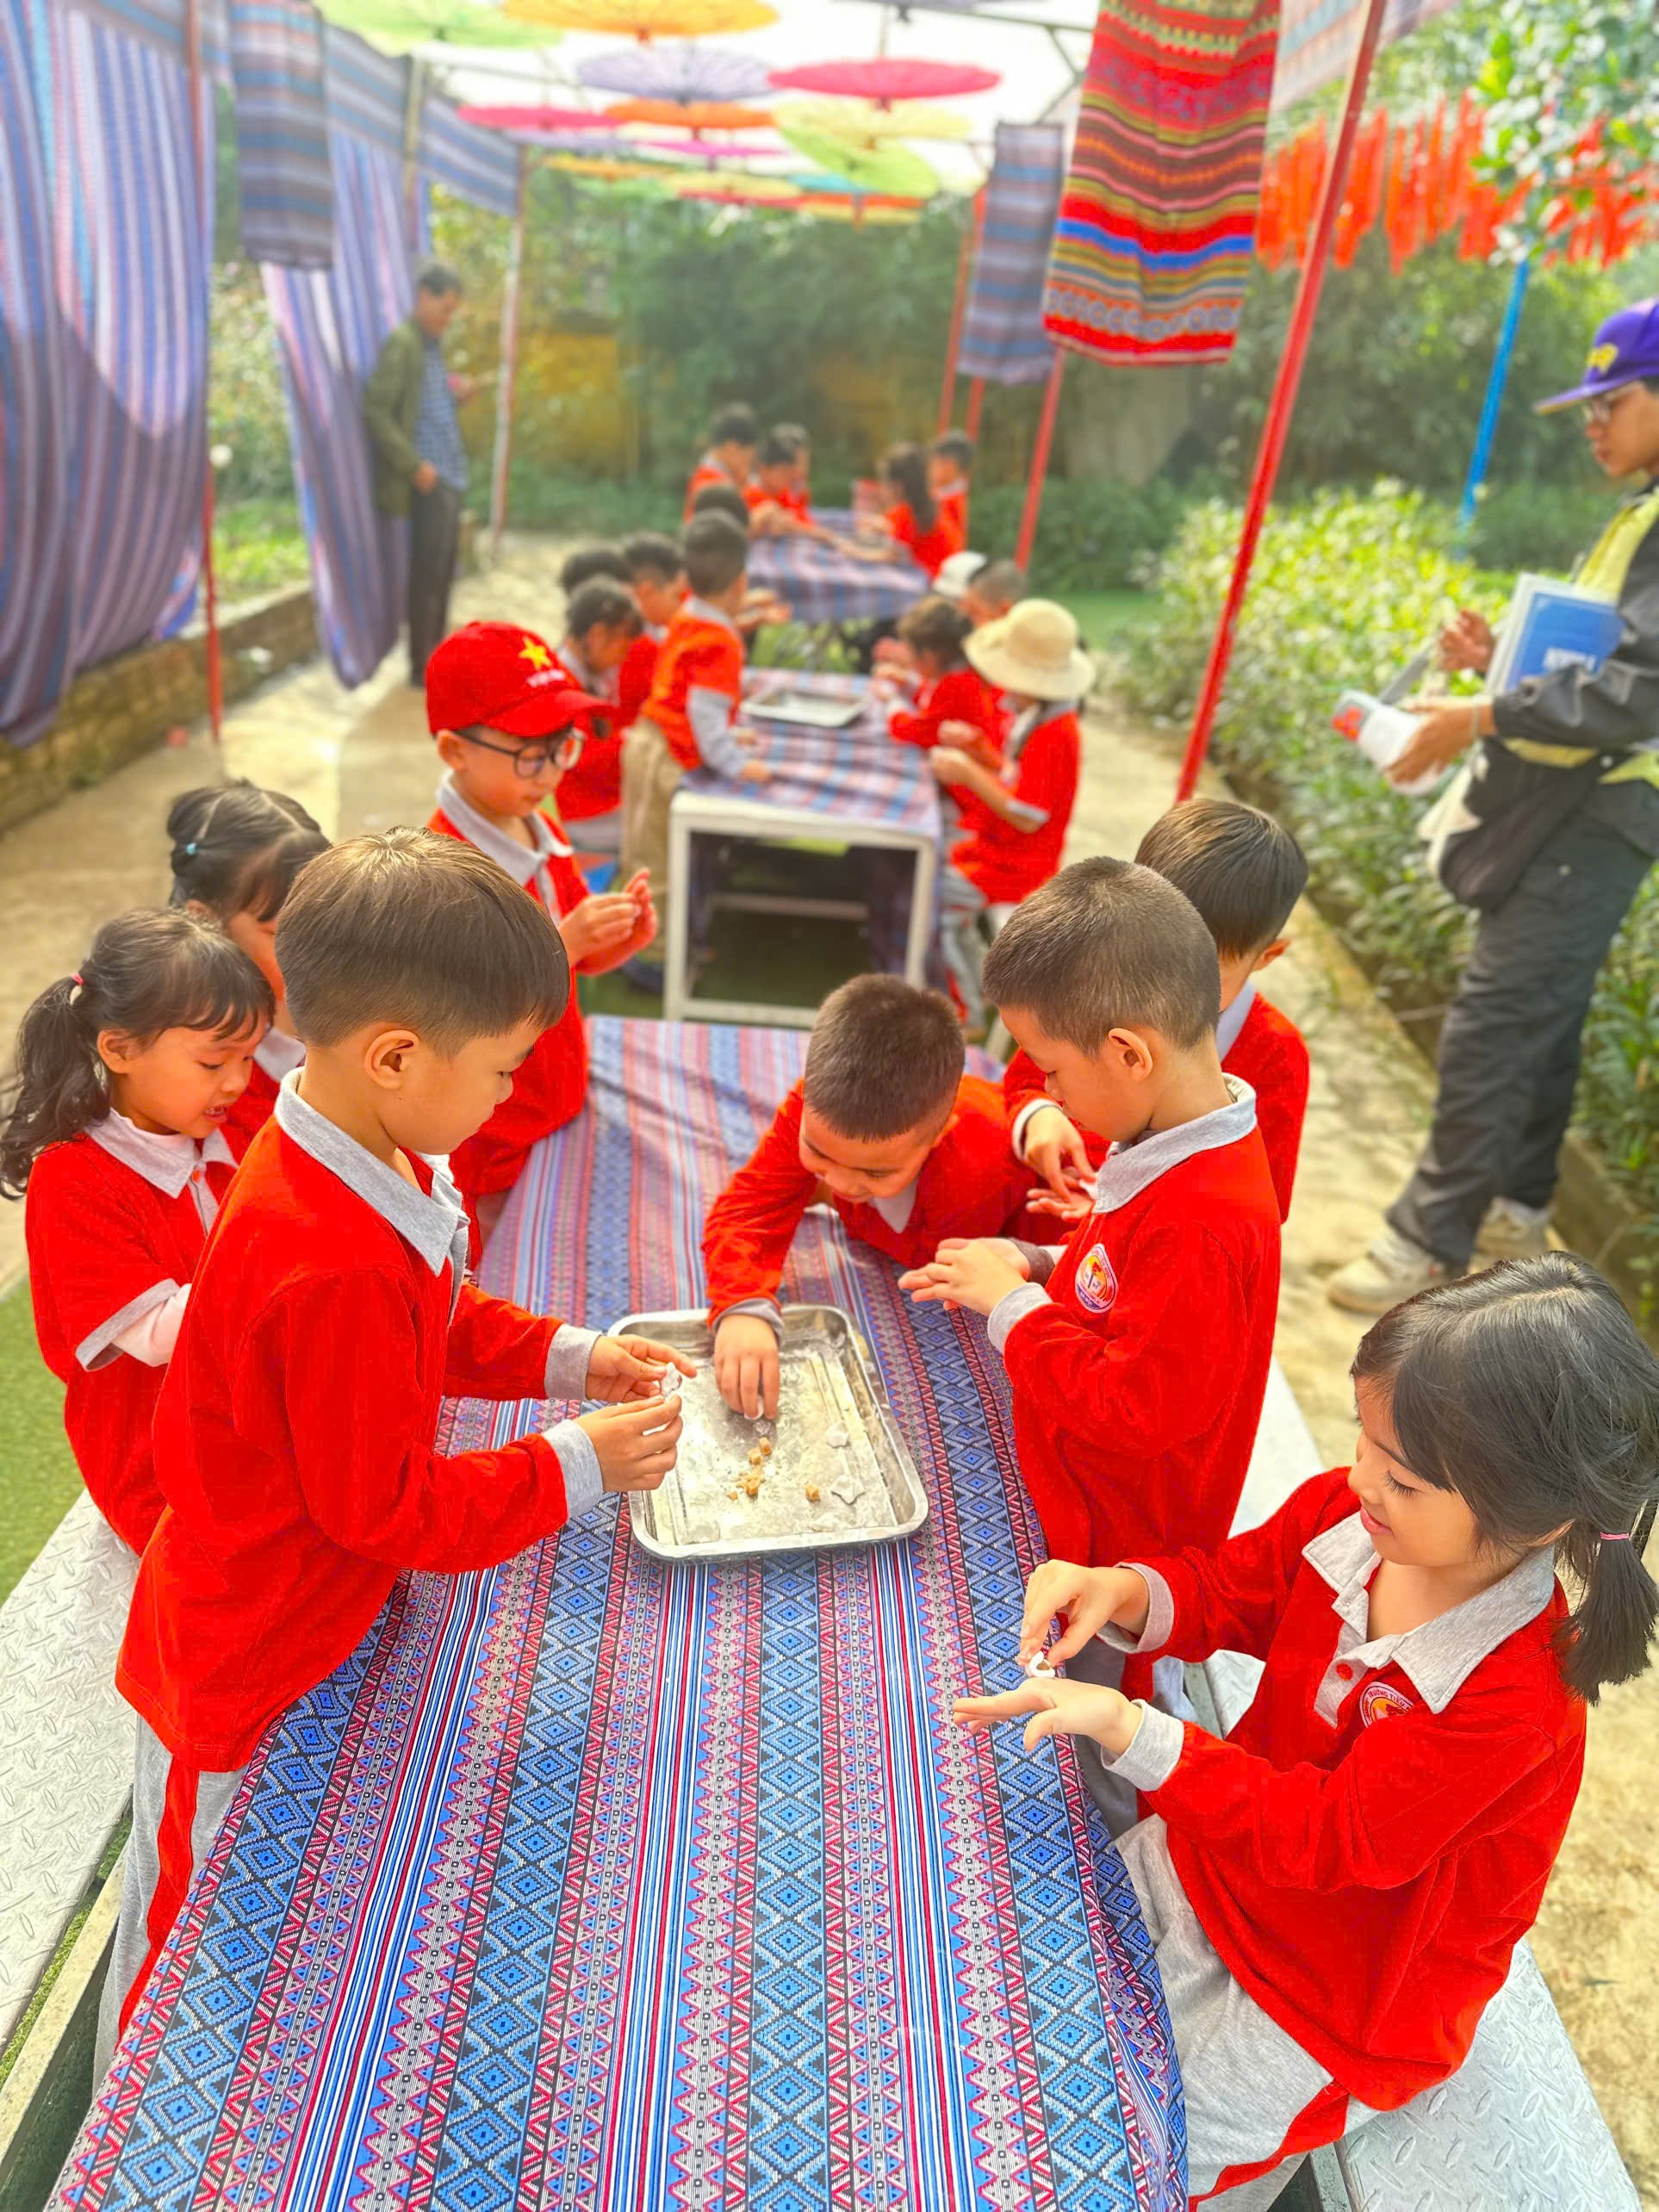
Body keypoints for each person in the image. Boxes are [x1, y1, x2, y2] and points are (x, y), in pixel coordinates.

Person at [98, 831, 693, 2070]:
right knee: (179, 1944)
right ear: (397, 1055)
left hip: (309, 1614)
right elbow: (391, 1511)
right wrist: (577, 1462)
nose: (507, 1094)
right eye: (503, 1070)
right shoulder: (325, 1259)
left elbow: (437, 1316)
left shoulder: (360, 1149)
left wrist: (570, 1356)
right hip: (240, 1660)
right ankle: (118, 2118)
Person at [956, 1253, 1659, 2204]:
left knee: (1128, 2152)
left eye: (1403, 1478)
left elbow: (1333, 1840)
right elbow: (1230, 1590)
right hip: (1218, 1858)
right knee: (1008, 2005)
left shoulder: (1514, 1699)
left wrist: (1133, 1731)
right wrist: (1120, 1589)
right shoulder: (1348, 1518)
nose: (1363, 1479)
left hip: (1334, 1995)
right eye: (1365, 1440)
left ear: (1535, 1522)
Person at [1330, 300, 1659, 1314]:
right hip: (1587, 801)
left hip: (1603, 809)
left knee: (1496, 1016)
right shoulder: (1642, 510)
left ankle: (1427, 1243)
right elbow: (1604, 662)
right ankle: (1516, 1210)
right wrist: (1497, 665)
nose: (1592, 423)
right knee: (1542, 1013)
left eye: (1611, 401)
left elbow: (1640, 690)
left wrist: (1481, 714)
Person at [901, 856, 1281, 1582]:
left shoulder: (1202, 1218)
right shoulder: (1173, 1130)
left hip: (1111, 1542)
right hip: (1079, 1486)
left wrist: (1012, 1306)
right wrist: (1038, 1261)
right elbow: (1125, 1282)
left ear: (1128, 1054)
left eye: (1051, 1069)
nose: (1046, 1089)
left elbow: (1134, 1408)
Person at [3, 910, 271, 1554]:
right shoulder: (73, 1178)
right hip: (157, 1461)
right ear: (119, 1050)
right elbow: (153, 1334)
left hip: (247, 1423)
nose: (238, 1081)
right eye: (213, 1061)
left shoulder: (229, 1129)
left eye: (248, 1057)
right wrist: (287, 1263)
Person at [704, 976, 1041, 1419]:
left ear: (940, 1134)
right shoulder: (815, 1107)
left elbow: (936, 1257)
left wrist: (818, 1188)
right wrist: (742, 1305)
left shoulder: (983, 1166)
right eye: (820, 1154)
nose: (845, 1184)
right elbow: (750, 1207)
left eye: (875, 1172)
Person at [425, 623, 654, 1236]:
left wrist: (616, 940)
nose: (551, 773)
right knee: (498, 1250)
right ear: (454, 750)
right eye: (531, 755)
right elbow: (462, 1010)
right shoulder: (442, 869)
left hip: (555, 1092)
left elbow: (573, 959)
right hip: (492, 1126)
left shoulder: (539, 827)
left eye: (562, 748)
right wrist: (565, 943)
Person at [1007, 798, 1310, 1224]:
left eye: (1204, 974)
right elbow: (1028, 1075)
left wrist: (1124, 1214)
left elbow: (1261, 1204)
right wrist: (1038, 1116)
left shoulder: (1275, 1054)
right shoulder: (1091, 978)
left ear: (1267, 956)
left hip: (1151, 1236)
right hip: (1048, 1192)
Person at [619, 513, 771, 985]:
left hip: (648, 741)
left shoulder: (687, 613)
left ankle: (646, 945)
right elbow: (704, 714)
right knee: (659, 862)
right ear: (741, 582)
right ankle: (653, 963)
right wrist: (736, 763)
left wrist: (726, 735)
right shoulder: (722, 641)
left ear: (686, 578)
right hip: (663, 755)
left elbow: (690, 699)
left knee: (643, 851)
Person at [930, 600, 1087, 1028]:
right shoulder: (1039, 717)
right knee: (936, 876)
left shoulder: (1055, 734)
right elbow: (1018, 780)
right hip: (1000, 852)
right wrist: (978, 750)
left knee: (933, 900)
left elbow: (1027, 814)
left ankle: (965, 1013)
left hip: (1017, 866)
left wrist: (967, 771)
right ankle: (978, 985)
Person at [166, 781, 330, 1150]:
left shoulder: (351, 1013)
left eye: (328, 925)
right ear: (207, 922)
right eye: (282, 934)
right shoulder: (191, 1083)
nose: (319, 952)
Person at [363, 264, 477, 685]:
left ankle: (436, 659)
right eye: (444, 309)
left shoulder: (430, 347)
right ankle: (421, 667)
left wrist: (456, 393)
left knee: (443, 574)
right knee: (427, 576)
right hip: (429, 476)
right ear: (423, 297)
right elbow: (376, 410)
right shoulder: (403, 344)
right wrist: (412, 465)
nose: (447, 319)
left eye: (452, 312)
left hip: (450, 472)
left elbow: (425, 404)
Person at [550, 581, 643, 857]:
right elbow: (584, 759)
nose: (622, 658)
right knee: (659, 827)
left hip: (597, 800)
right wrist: (631, 743)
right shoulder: (562, 686)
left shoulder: (586, 675)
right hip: (581, 813)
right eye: (622, 648)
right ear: (598, 636)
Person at [883, 596, 1003, 757]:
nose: (908, 657)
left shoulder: (956, 685)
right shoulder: (964, 674)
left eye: (910, 650)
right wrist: (909, 684)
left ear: (930, 656)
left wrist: (892, 700)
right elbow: (936, 708)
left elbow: (911, 731)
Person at [867, 442, 965, 581]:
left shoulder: (908, 511)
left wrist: (849, 549)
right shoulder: (925, 505)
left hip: (933, 581)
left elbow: (891, 556)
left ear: (898, 487)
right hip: (944, 578)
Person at [744, 432, 832, 541]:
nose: (789, 478)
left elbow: (805, 521)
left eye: (790, 473)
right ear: (764, 470)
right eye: (783, 472)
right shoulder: (750, 495)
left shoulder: (784, 494)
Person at [684, 403, 758, 520]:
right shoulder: (709, 482)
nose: (748, 466)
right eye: (746, 459)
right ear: (732, 448)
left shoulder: (726, 476)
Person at [929, 430, 973, 541]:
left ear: (948, 464)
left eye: (936, 462)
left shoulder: (949, 503)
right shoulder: (946, 497)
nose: (931, 467)